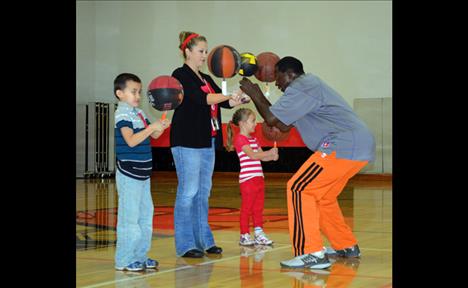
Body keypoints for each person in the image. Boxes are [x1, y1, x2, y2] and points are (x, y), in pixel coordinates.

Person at [239, 56, 375, 269]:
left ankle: (310, 252)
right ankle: (345, 245)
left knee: (298, 188)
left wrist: (255, 93)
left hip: (342, 143)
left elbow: (272, 119)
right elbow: (282, 125)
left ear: (290, 75)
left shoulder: (302, 86)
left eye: (278, 78)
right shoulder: (307, 89)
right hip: (358, 145)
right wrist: (267, 111)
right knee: (324, 197)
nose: (276, 83)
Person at [170, 31, 246, 258]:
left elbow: (224, 103)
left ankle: (204, 241)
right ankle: (185, 244)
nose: (205, 55)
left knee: (203, 193)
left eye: (205, 51)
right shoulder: (180, 75)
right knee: (188, 192)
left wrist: (239, 97)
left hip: (207, 140)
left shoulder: (205, 78)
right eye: (201, 51)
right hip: (187, 140)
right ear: (187, 51)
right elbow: (201, 99)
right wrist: (227, 96)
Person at [113, 73, 170, 271]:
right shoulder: (122, 113)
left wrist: (160, 126)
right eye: (133, 92)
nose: (138, 96)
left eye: (139, 92)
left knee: (145, 218)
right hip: (129, 174)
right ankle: (124, 260)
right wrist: (150, 128)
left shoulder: (139, 113)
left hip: (144, 174)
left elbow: (154, 134)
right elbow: (131, 140)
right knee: (130, 219)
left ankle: (140, 255)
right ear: (120, 94)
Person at [226, 108, 278, 246]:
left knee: (258, 208)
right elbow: (253, 155)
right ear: (242, 123)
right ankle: (244, 235)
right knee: (247, 208)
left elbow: (262, 158)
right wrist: (269, 153)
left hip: (259, 178)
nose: (256, 124)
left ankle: (259, 233)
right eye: (253, 121)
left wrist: (272, 156)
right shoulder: (240, 139)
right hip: (248, 180)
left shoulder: (254, 139)